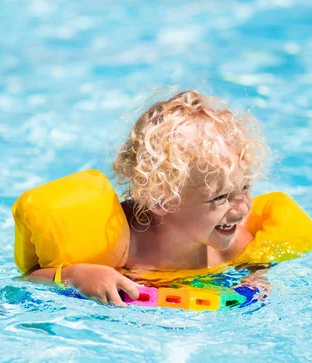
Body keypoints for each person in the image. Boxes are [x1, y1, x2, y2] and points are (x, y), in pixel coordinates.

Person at [26, 90, 268, 306]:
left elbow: (256, 269)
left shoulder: (231, 245)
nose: (242, 208)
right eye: (222, 197)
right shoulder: (122, 249)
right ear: (162, 199)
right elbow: (29, 280)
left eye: (245, 188)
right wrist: (76, 276)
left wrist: (255, 279)